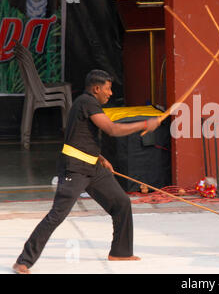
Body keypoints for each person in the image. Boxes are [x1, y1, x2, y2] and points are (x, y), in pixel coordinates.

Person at [12, 70, 161, 274]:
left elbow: (78, 134)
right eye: (108, 89)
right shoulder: (87, 101)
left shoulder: (86, 104)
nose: (110, 93)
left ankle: (121, 252)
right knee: (57, 214)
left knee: (121, 203)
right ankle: (24, 260)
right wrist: (146, 123)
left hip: (92, 166)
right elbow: (112, 130)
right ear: (96, 88)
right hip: (75, 168)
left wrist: (99, 156)